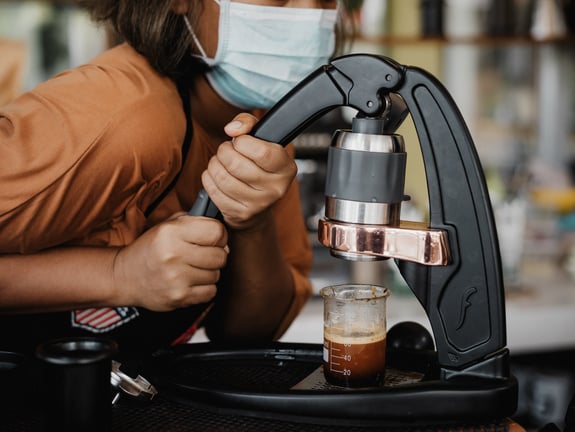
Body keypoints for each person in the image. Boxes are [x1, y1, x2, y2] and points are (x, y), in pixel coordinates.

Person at [0, 0, 351, 359]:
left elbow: (249, 333)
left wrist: (251, 223)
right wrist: (119, 275)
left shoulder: (267, 130)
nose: (309, 10)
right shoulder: (123, 116)